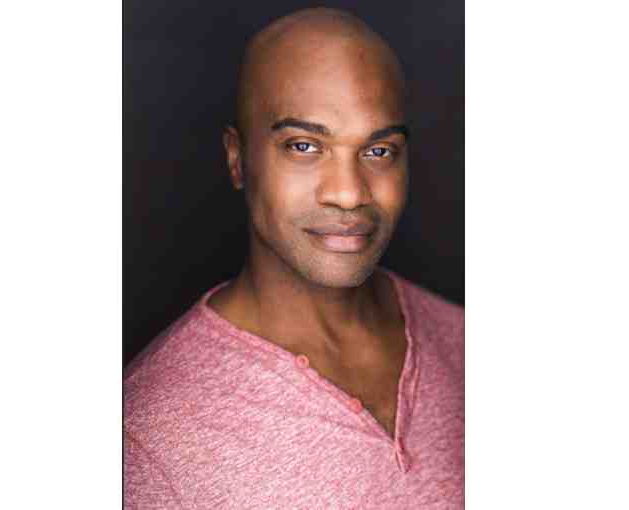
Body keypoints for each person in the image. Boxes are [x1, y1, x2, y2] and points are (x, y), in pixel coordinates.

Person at [125, 7, 463, 509]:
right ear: (238, 158)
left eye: (378, 151)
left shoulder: (462, 340)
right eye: (304, 146)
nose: (349, 194)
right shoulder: (152, 443)